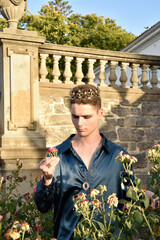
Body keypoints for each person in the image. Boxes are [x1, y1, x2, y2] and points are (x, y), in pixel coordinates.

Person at [34, 84, 155, 240]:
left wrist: (150, 197)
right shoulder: (58, 156)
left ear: (100, 113)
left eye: (86, 117)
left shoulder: (119, 156)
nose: (79, 123)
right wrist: (47, 180)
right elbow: (42, 206)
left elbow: (131, 194)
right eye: (75, 116)